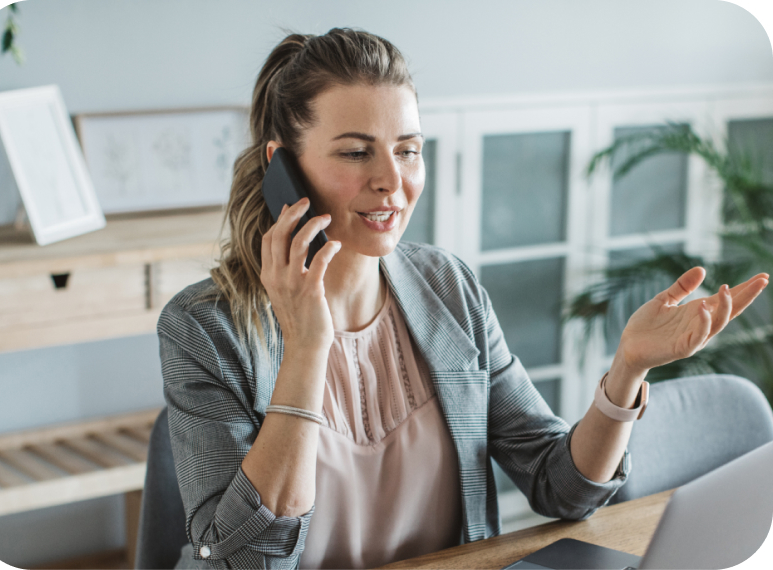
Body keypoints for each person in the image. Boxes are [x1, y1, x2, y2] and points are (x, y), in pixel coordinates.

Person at [158, 28, 769, 570]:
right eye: (355, 152)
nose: (392, 182)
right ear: (282, 167)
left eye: (408, 150)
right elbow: (245, 560)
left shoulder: (447, 288)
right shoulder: (204, 328)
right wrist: (308, 345)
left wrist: (628, 368)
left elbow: (561, 487)